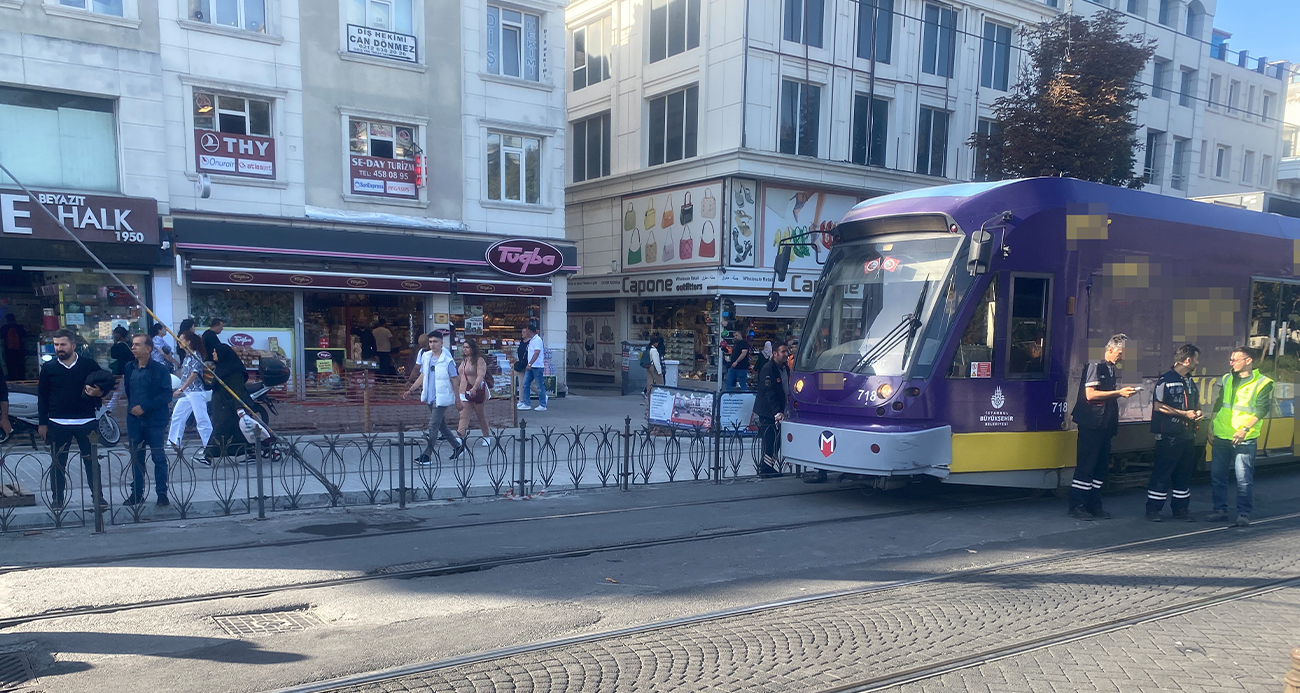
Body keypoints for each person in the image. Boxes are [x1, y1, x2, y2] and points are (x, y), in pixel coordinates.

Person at [1068, 334, 1139, 520]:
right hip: (1092, 424)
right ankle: (1077, 505)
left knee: (1100, 468)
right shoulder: (1095, 365)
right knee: (1086, 466)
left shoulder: (1109, 368)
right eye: (1121, 353)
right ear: (1110, 349)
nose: (1122, 358)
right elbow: (1090, 395)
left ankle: (1094, 504)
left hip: (1104, 425)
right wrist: (1119, 393)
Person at [37, 330, 108, 510]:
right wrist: (42, 423)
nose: (59, 348)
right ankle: (57, 499)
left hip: (86, 421)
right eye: (56, 344)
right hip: (57, 422)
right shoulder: (49, 368)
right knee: (58, 462)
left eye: (63, 344)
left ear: (73, 345)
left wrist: (99, 392)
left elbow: (105, 381)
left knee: (91, 461)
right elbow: (43, 396)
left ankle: (98, 497)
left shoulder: (88, 364)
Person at [1207, 345, 1273, 527]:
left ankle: (1243, 514)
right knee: (1217, 475)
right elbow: (1220, 402)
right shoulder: (1227, 378)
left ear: (1248, 361)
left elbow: (1262, 409)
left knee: (1243, 478)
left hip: (1244, 438)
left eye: (1235, 360)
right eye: (1231, 359)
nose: (1231, 363)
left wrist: (1245, 429)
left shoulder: (1262, 382)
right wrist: (1211, 424)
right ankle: (1219, 510)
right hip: (1222, 434)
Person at [1146, 344, 1203, 522]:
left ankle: (1181, 509)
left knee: (1184, 474)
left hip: (1187, 435)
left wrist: (1197, 412)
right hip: (1169, 436)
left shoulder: (1189, 380)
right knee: (1162, 474)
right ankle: (1153, 510)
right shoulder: (1166, 380)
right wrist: (1184, 414)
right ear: (1187, 360)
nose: (1197, 363)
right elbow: (1158, 406)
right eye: (1196, 359)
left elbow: (1195, 401)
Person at [123, 334, 174, 506]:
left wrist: (145, 407)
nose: (133, 348)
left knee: (158, 457)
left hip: (155, 420)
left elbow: (166, 395)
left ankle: (162, 493)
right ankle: (136, 493)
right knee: (136, 457)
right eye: (133, 344)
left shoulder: (160, 369)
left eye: (137, 345)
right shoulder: (129, 367)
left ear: (148, 348)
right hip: (134, 420)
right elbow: (129, 391)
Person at [403, 331, 464, 462]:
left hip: (441, 398)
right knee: (441, 426)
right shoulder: (426, 357)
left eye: (435, 341)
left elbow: (455, 380)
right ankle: (458, 447)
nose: (432, 344)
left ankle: (427, 455)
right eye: (430, 342)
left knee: (433, 425)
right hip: (430, 397)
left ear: (441, 343)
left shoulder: (447, 360)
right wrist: (411, 390)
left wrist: (458, 399)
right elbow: (422, 375)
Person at [206, 341, 257, 459]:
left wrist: (239, 408)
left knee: (220, 429)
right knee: (237, 431)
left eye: (215, 352)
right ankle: (250, 451)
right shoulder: (221, 368)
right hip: (221, 405)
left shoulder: (234, 371)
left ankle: (208, 456)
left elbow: (237, 390)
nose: (213, 354)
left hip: (229, 406)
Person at [169, 333, 214, 461]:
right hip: (188, 392)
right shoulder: (187, 356)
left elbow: (193, 375)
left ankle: (210, 447)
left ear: (188, 342)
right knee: (178, 415)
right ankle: (174, 441)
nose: (179, 342)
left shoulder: (195, 356)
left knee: (202, 419)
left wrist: (181, 388)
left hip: (195, 392)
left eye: (181, 340)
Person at [753, 341, 791, 478]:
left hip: (780, 410)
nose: (786, 354)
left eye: (787, 351)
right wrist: (777, 412)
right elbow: (769, 392)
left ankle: (768, 466)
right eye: (783, 352)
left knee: (778, 440)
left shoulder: (785, 368)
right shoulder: (768, 369)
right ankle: (765, 468)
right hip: (767, 411)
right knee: (770, 440)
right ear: (775, 353)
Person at [456, 337, 493, 446]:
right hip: (463, 391)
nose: (465, 349)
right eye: (463, 347)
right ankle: (460, 436)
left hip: (477, 391)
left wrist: (475, 387)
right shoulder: (464, 361)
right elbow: (460, 376)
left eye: (467, 347)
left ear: (473, 348)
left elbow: (480, 375)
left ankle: (486, 436)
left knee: (480, 415)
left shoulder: (479, 360)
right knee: (464, 415)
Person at [518, 323, 548, 412]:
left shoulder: (537, 340)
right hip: (532, 366)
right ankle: (526, 403)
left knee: (539, 386)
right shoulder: (532, 340)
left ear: (530, 331)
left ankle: (543, 404)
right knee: (525, 384)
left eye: (526, 331)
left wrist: (530, 364)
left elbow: (536, 353)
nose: (525, 332)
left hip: (537, 366)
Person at [2, 314, 27, 380]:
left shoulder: (4, 328)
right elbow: (25, 335)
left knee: (10, 366)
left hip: (8, 350)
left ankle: (11, 379)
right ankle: (21, 379)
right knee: (20, 366)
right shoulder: (19, 327)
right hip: (19, 350)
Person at [643, 335, 665, 399]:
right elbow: (656, 362)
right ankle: (661, 396)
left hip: (649, 366)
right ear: (654, 343)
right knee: (660, 382)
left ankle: (648, 395)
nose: (657, 344)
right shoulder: (654, 350)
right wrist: (659, 371)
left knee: (650, 382)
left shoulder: (648, 348)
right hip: (654, 367)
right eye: (657, 343)